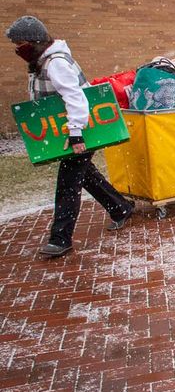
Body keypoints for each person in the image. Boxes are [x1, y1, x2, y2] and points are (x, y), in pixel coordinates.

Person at [6, 16, 135, 257]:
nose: (17, 49)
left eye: (20, 43)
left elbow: (76, 98)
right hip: (73, 129)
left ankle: (60, 238)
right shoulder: (42, 61)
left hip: (80, 129)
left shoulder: (55, 63)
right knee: (84, 175)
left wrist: (76, 134)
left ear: (35, 41)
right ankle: (121, 207)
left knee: (68, 184)